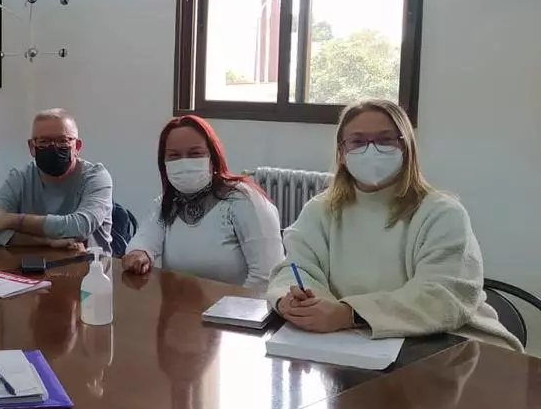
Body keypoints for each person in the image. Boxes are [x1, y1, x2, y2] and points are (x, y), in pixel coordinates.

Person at [266, 99, 522, 351]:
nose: (371, 150)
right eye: (358, 142)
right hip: (353, 346)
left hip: (451, 345)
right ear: (341, 153)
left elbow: (443, 296)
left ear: (406, 148)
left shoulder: (442, 213)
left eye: (385, 140)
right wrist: (298, 303)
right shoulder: (321, 209)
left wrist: (348, 314)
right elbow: (294, 268)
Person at [122, 115, 283, 288]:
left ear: (213, 158)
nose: (184, 162)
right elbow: (143, 240)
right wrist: (138, 254)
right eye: (174, 156)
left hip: (238, 305)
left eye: (195, 154)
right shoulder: (167, 204)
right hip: (179, 303)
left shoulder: (244, 201)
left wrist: (232, 305)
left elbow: (267, 276)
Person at [0, 109, 113, 251]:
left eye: (62, 141)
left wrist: (12, 220)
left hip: (89, 263)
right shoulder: (21, 177)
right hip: (32, 262)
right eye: (44, 141)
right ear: (32, 147)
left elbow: (79, 227)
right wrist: (46, 242)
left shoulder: (96, 177)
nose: (53, 148)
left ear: (77, 146)